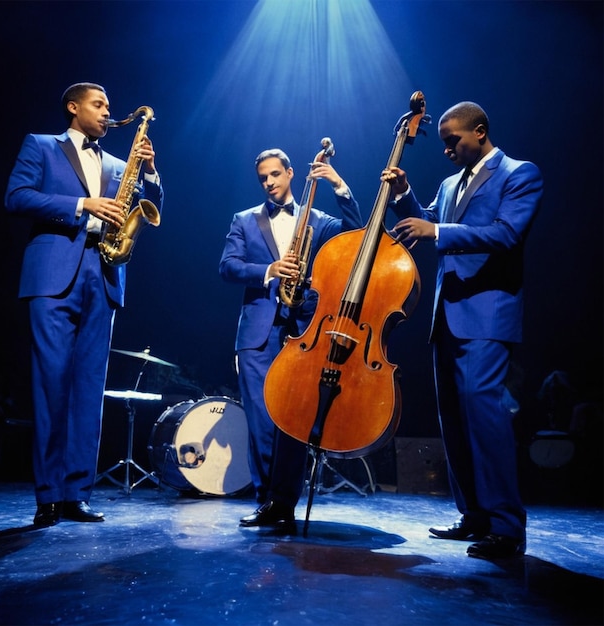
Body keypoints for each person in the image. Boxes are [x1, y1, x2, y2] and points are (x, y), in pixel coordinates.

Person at [383, 101, 543, 559]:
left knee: (485, 417)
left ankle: (507, 525)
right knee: (453, 419)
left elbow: (506, 233)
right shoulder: (452, 183)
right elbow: (425, 220)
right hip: (446, 316)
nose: (448, 149)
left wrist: (438, 231)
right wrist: (404, 193)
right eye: (444, 142)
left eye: (454, 140)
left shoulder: (519, 173)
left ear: (480, 130)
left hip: (488, 316)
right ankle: (473, 515)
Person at [5, 82, 163, 527]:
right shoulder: (41, 146)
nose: (108, 112)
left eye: (110, 106)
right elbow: (16, 197)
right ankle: (48, 496)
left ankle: (76, 493)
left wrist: (150, 172)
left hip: (104, 273)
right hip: (54, 276)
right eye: (99, 105)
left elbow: (153, 206)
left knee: (89, 392)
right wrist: (81, 203)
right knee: (50, 386)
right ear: (73, 108)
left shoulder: (118, 162)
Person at [220, 148, 363, 530]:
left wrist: (338, 184)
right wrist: (269, 269)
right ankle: (266, 500)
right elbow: (228, 267)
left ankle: (283, 505)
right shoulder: (244, 219)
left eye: (274, 175)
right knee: (261, 422)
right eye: (263, 178)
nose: (268, 183)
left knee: (293, 422)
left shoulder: (319, 219)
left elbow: (357, 232)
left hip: (303, 331)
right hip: (257, 334)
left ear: (291, 174)